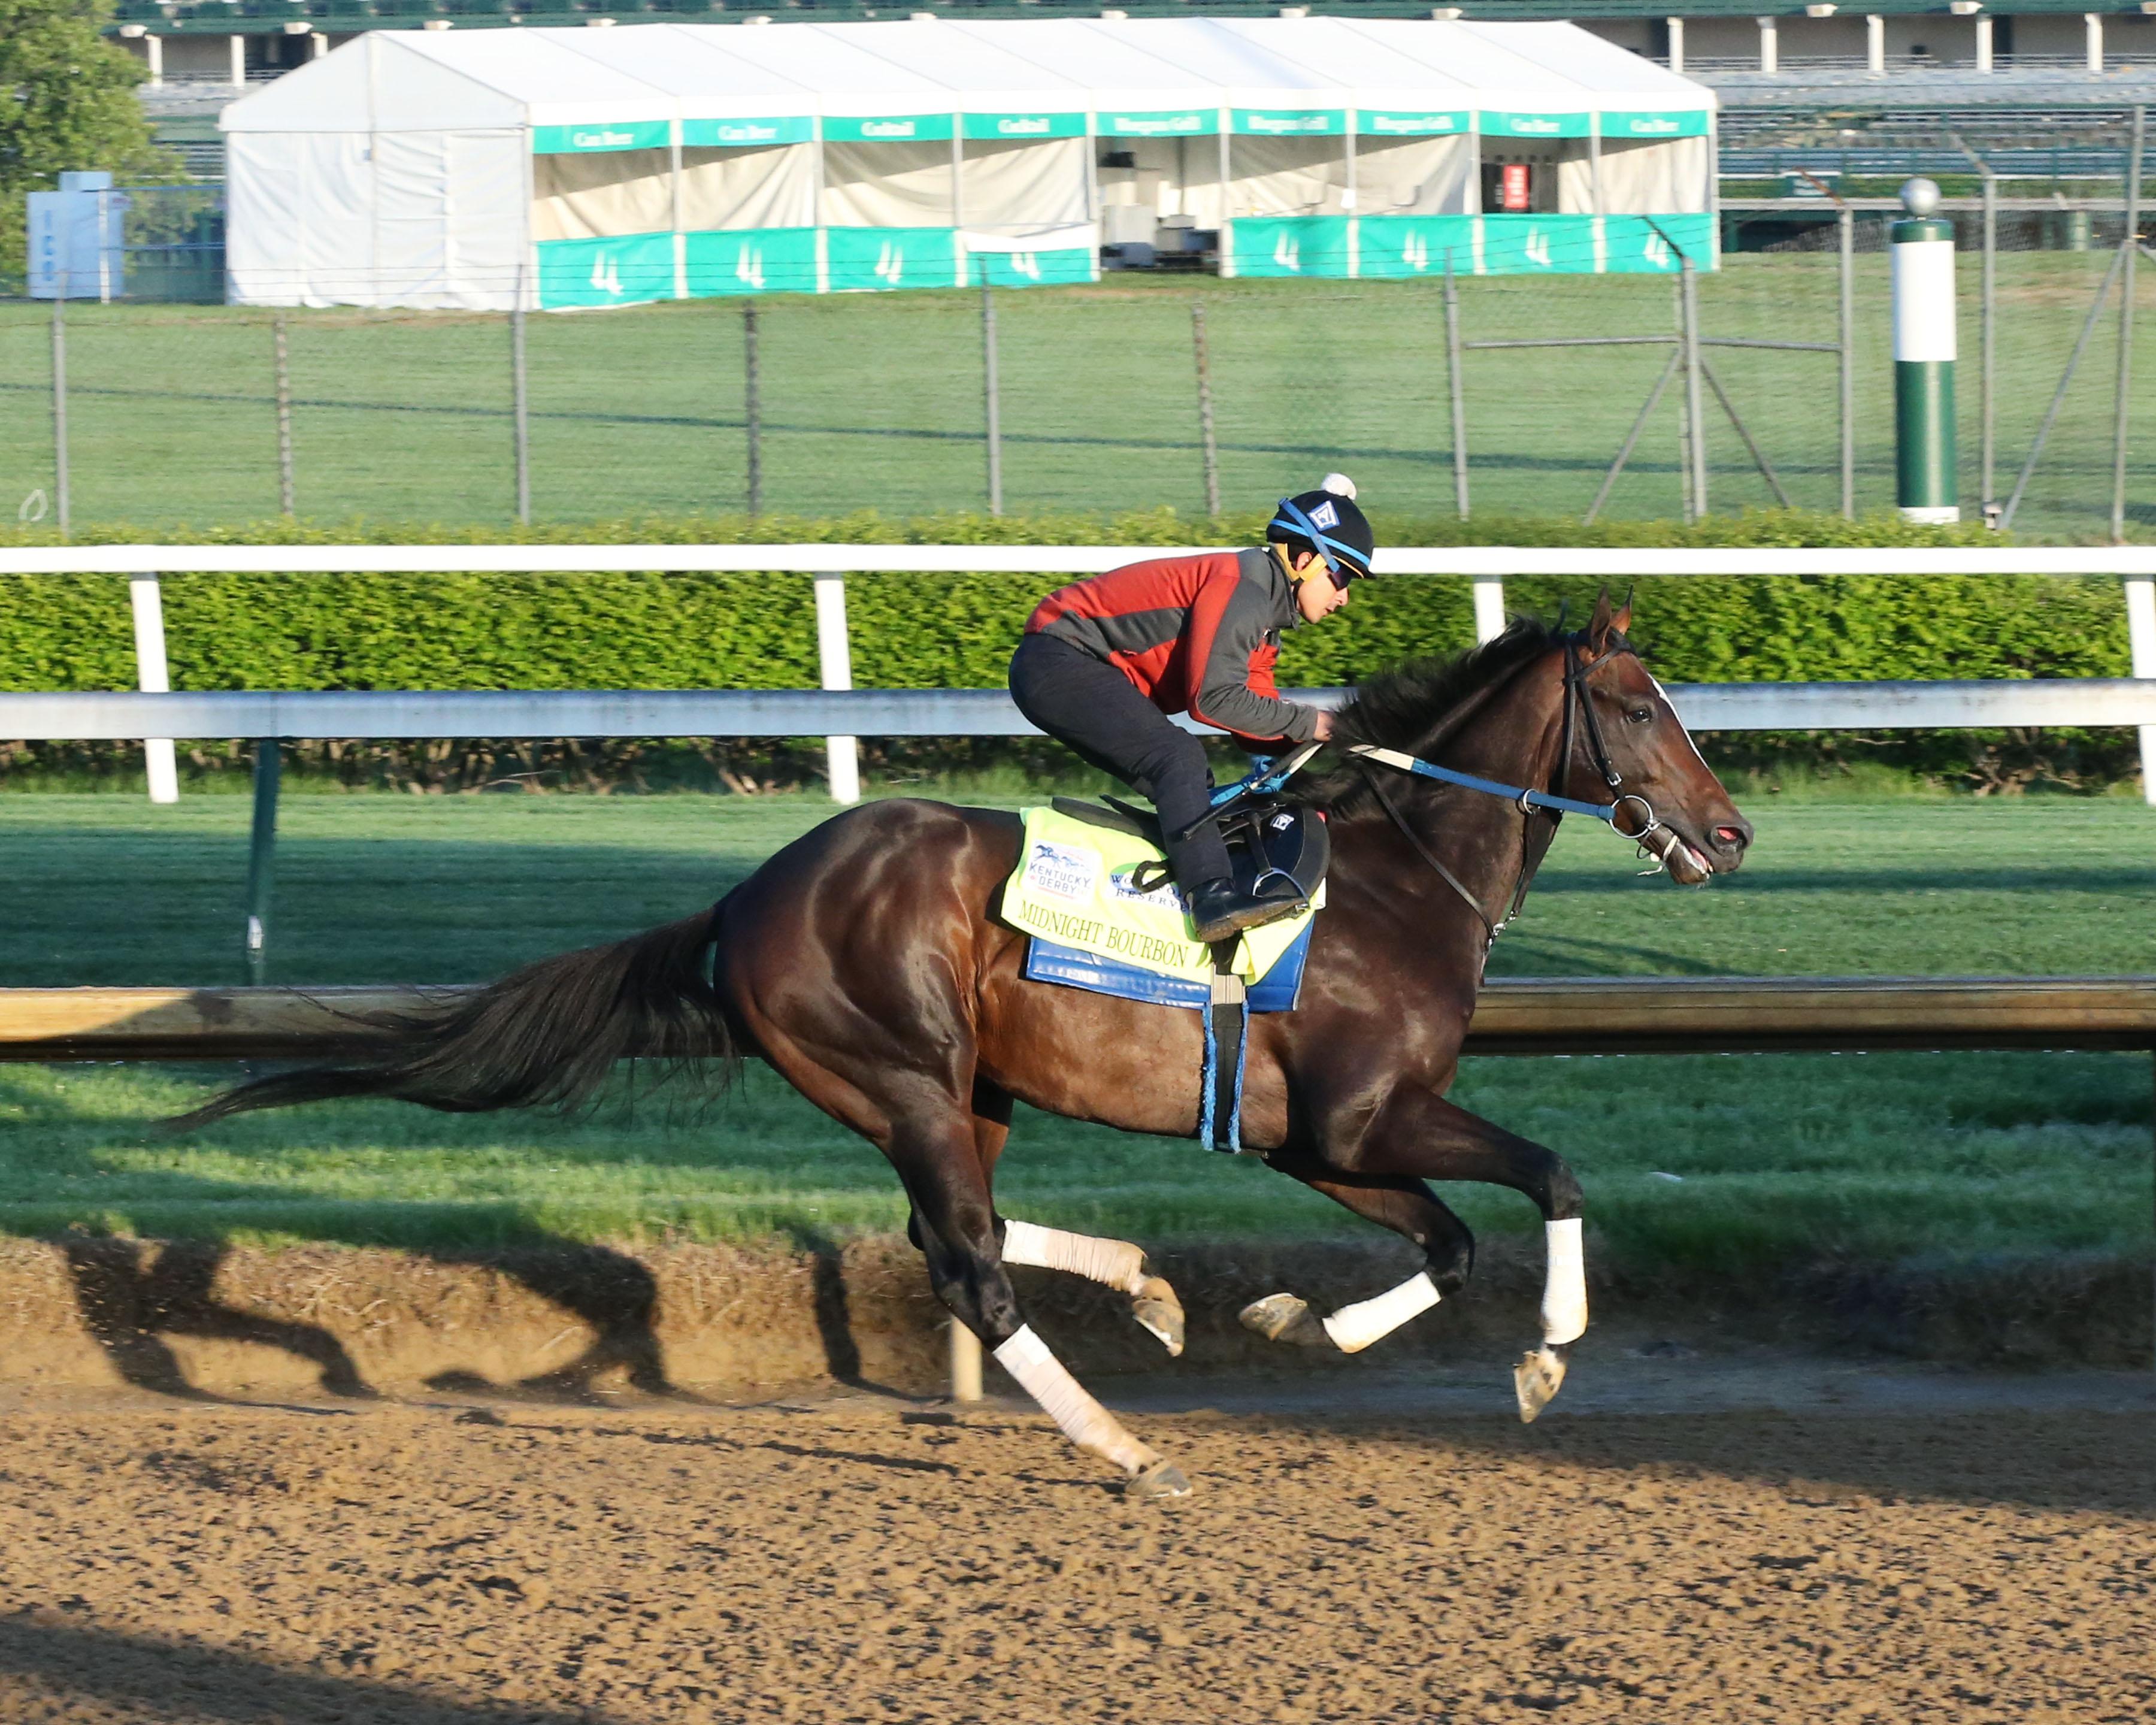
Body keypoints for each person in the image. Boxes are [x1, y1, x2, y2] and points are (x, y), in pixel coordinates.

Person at [1010, 474, 1376, 946]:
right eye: (1341, 577)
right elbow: (1214, 700)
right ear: (1306, 561)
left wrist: (1330, 749)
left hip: (1076, 666)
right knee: (1178, 760)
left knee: (1192, 788)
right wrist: (1315, 723)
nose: (1344, 597)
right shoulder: (1244, 587)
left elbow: (1258, 718)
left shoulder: (1264, 619)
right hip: (1060, 659)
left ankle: (1163, 894)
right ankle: (1212, 901)